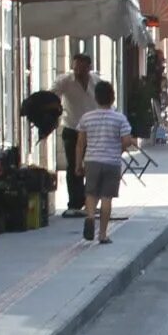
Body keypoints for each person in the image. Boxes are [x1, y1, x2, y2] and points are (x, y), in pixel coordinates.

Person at [74, 80, 137, 244]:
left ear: (96, 98)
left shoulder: (86, 118)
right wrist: (119, 149)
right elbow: (127, 140)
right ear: (112, 98)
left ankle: (89, 217)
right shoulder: (119, 119)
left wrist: (78, 164)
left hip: (92, 160)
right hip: (111, 161)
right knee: (107, 197)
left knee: (91, 193)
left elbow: (80, 143)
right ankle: (102, 234)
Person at [55, 52, 97, 215]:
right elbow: (53, 94)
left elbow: (103, 99)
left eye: (82, 67)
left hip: (92, 130)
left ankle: (90, 200)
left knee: (92, 165)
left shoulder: (96, 81)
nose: (78, 70)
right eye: (75, 66)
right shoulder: (65, 81)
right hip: (72, 128)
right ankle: (74, 202)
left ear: (88, 67)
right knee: (74, 166)